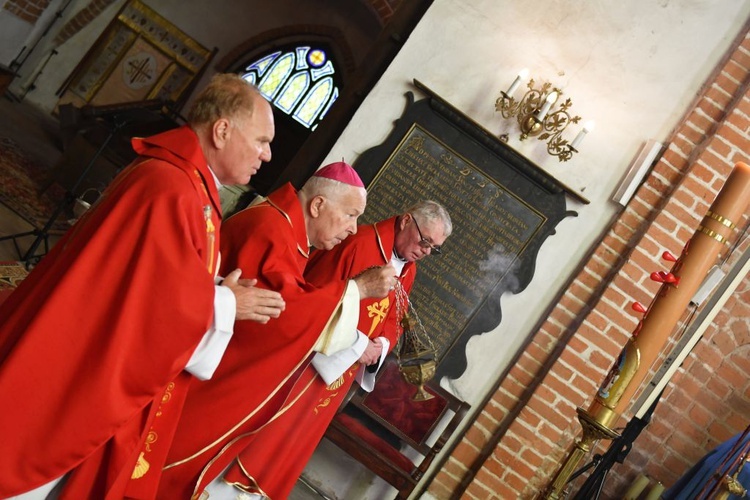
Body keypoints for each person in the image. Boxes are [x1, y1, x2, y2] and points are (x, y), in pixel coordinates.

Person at [0, 73, 287, 499]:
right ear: (222, 130)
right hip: (74, 357)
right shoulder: (170, 187)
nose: (266, 156)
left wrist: (213, 290)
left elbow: (151, 276)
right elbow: (151, 299)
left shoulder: (190, 185)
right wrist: (225, 304)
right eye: (262, 140)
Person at [155, 162, 397, 498]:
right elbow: (281, 313)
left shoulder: (288, 231)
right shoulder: (270, 228)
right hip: (190, 368)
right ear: (318, 205)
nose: (354, 229)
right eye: (350, 215)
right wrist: (354, 290)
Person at [207, 200, 452, 499]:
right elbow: (315, 299)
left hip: (338, 375)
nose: (426, 251)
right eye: (425, 241)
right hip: (306, 363)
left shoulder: (408, 269)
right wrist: (359, 344)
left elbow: (394, 319)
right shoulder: (359, 245)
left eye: (434, 248)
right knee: (266, 434)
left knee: (293, 441)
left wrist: (381, 345)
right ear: (404, 221)